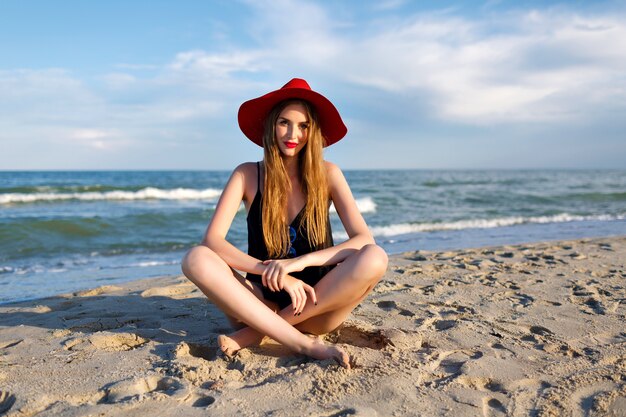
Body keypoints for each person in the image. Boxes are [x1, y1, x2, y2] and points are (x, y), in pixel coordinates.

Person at [181, 78, 388, 368]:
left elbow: (363, 239)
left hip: (317, 303)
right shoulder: (247, 174)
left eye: (303, 125)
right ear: (270, 126)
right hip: (258, 301)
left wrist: (296, 265)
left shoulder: (328, 174)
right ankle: (301, 343)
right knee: (196, 258)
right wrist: (272, 272)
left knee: (375, 257)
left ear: (312, 131)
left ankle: (255, 333)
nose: (293, 134)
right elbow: (213, 241)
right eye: (283, 123)